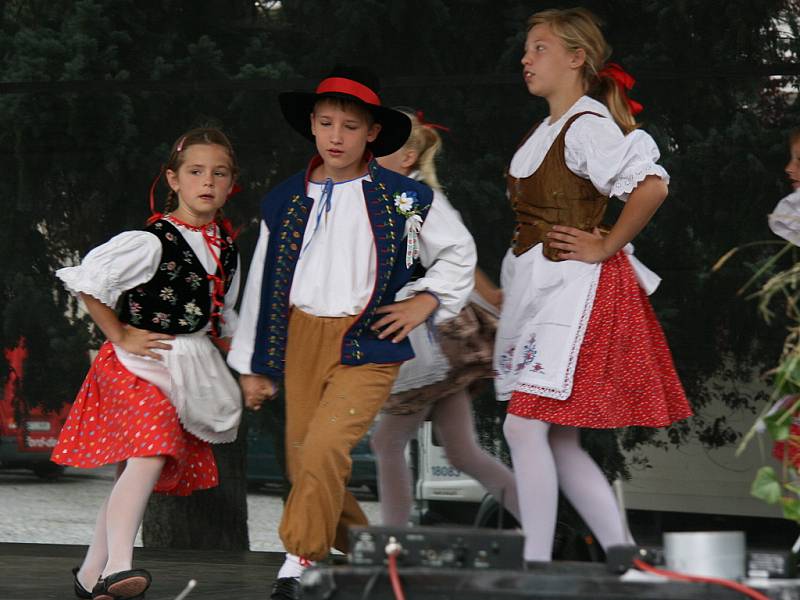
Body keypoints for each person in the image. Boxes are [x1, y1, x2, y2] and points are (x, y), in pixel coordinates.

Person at [227, 66, 476, 600]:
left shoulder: (404, 198)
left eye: (349, 126)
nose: (336, 136)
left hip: (369, 341)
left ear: (372, 135)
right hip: (300, 338)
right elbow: (263, 283)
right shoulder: (284, 199)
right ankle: (366, 546)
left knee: (322, 450)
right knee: (303, 459)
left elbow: (458, 252)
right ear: (312, 128)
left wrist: (425, 301)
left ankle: (298, 564)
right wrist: (253, 366)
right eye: (325, 123)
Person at [494, 8, 693, 562]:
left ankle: (534, 561)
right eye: (527, 49)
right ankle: (623, 553)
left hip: (579, 293)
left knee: (524, 427)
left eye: (539, 48)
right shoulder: (549, 130)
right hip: (545, 292)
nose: (526, 59)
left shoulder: (587, 126)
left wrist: (605, 245)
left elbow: (651, 185)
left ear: (577, 57)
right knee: (554, 435)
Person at [52, 127, 243, 599]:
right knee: (152, 447)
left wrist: (246, 367)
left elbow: (226, 315)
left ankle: (90, 574)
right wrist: (118, 333)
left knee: (132, 473)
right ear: (173, 180)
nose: (207, 182)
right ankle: (120, 567)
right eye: (195, 172)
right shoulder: (151, 240)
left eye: (218, 174)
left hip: (185, 367)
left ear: (230, 184)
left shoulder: (226, 248)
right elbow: (88, 281)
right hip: (136, 364)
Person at [370, 108, 520, 527]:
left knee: (386, 442)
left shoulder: (415, 198)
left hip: (432, 337)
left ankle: (394, 544)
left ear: (409, 156)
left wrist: (490, 295)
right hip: (431, 335)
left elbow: (458, 253)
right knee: (462, 451)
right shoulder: (390, 198)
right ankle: (542, 522)